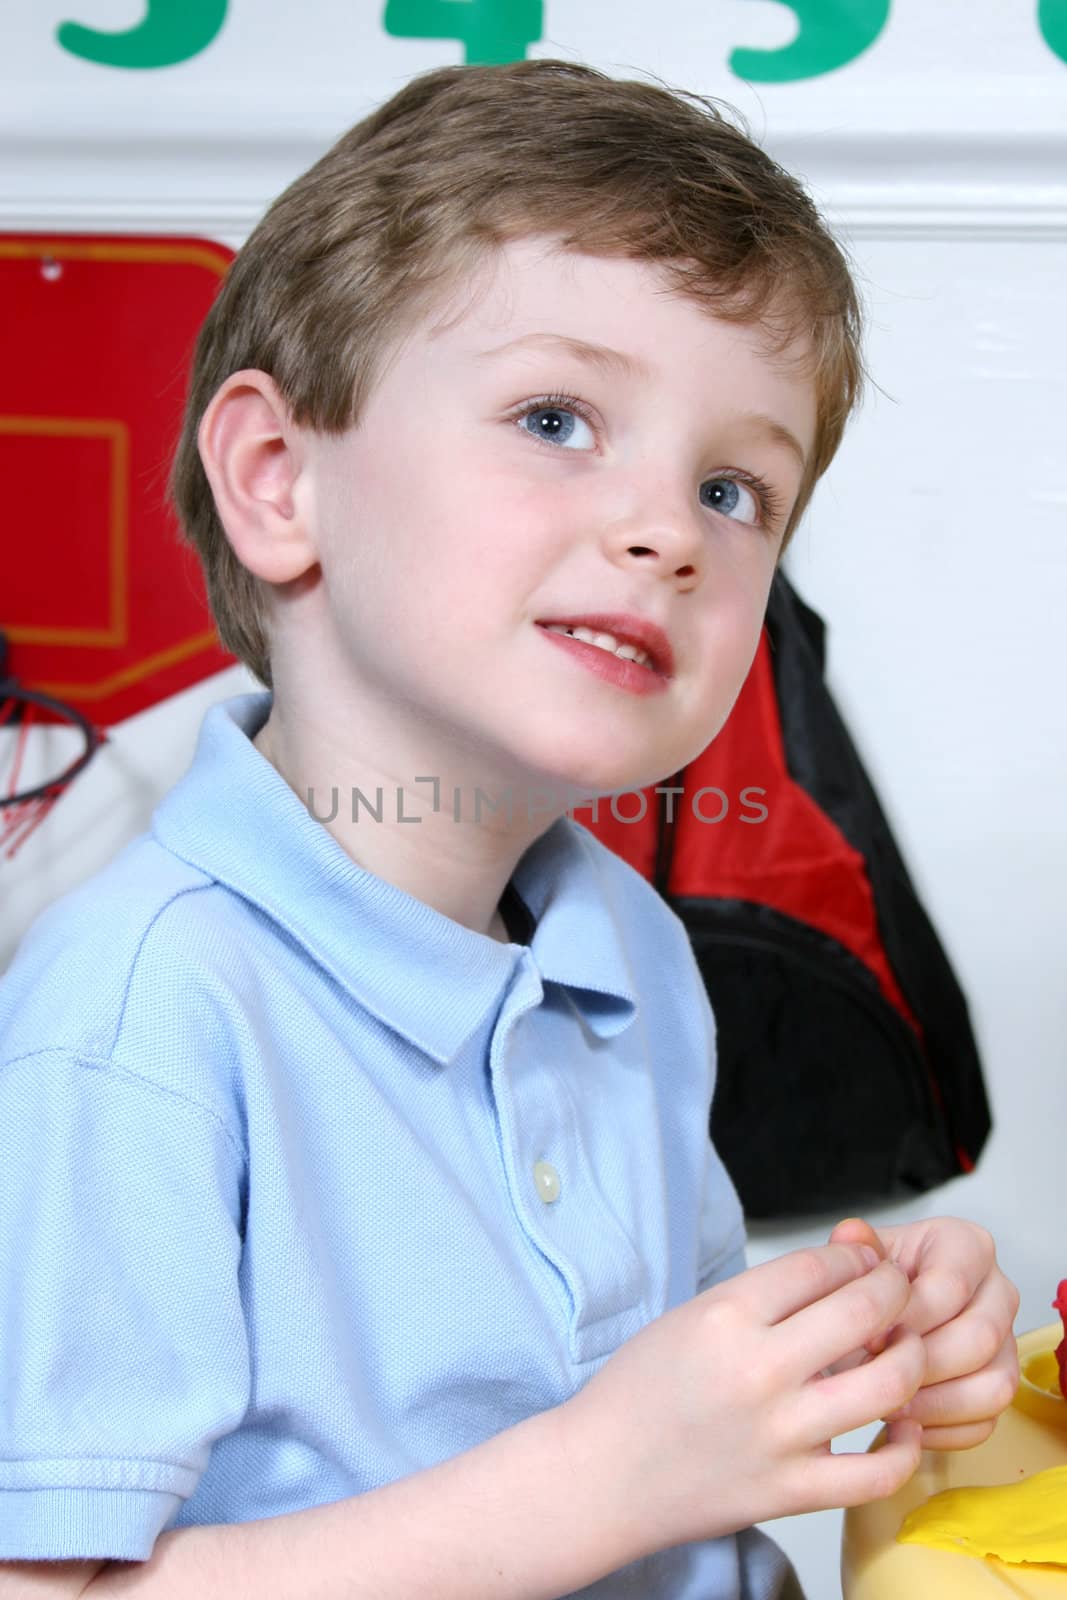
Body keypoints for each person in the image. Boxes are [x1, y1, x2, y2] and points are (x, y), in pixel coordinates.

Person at [0, 57, 1019, 1600]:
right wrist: (605, 1477)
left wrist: (847, 1355)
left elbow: (665, 1438)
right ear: (281, 483)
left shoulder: (633, 954)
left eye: (738, 489)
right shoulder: (137, 1017)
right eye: (556, 416)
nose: (669, 528)